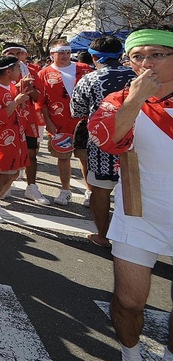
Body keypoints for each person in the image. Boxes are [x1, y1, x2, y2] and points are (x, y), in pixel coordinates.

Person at [86, 27, 173, 361]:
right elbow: (106, 139)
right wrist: (136, 100)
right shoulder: (118, 99)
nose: (145, 64)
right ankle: (131, 359)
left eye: (156, 55)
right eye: (137, 57)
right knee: (128, 299)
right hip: (139, 214)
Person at [70, 35, 136, 247]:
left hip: (102, 141)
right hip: (136, 140)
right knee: (135, 188)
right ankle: (134, 237)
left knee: (101, 189)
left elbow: (76, 110)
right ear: (120, 54)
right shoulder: (137, 76)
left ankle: (103, 236)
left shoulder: (89, 79)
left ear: (94, 56)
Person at [37, 40, 92, 205]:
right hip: (59, 122)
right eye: (61, 52)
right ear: (52, 54)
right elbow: (41, 102)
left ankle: (90, 191)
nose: (65, 55)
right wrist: (47, 122)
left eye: (67, 52)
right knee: (63, 157)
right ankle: (65, 190)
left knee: (85, 158)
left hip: (83, 122)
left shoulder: (84, 69)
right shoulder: (44, 73)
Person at [0, 56, 33, 221]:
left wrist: (22, 97)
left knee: (14, 173)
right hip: (1, 137)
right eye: (17, 68)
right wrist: (16, 102)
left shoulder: (11, 86)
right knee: (5, 174)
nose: (20, 71)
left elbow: (19, 110)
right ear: (8, 71)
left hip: (16, 135)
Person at [2, 43, 49, 205]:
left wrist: (29, 88)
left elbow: (40, 97)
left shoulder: (33, 71)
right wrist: (15, 88)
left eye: (18, 53)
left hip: (28, 118)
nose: (15, 55)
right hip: (7, 118)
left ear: (23, 55)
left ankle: (32, 186)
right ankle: (4, 184)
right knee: (6, 152)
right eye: (10, 53)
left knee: (31, 154)